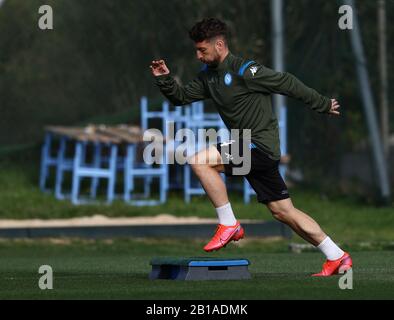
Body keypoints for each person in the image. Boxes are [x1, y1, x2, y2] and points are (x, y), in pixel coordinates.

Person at [150, 17, 352, 276]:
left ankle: (228, 224)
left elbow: (287, 82)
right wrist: (164, 78)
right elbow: (180, 98)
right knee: (283, 211)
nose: (198, 55)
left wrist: (321, 103)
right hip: (250, 149)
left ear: (220, 44)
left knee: (200, 161)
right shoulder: (207, 78)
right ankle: (336, 256)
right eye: (197, 50)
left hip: (259, 146)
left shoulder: (245, 71)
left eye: (202, 50)